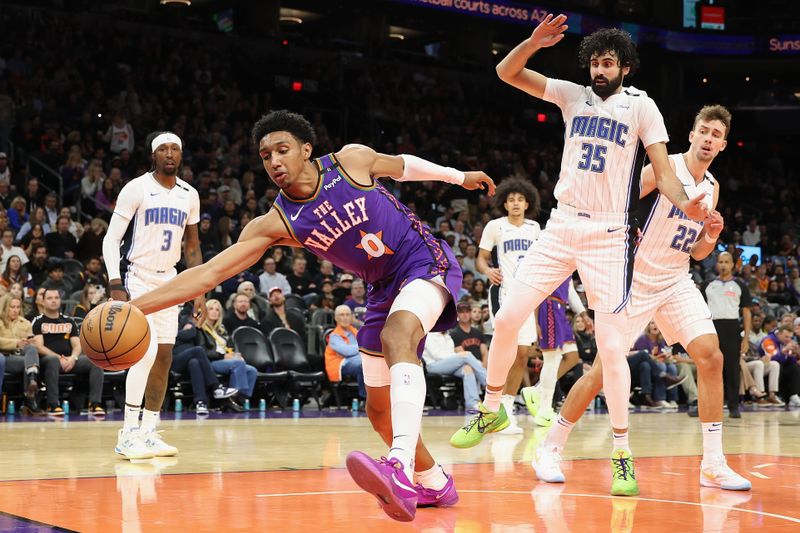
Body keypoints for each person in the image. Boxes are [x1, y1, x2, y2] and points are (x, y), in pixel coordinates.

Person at [129, 110, 493, 521]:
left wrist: (458, 177)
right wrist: (132, 307)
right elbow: (208, 273)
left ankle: (399, 469)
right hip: (380, 290)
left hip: (422, 259)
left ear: (306, 149)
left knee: (397, 337)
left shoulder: (349, 161)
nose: (274, 162)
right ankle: (434, 482)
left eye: (282, 150)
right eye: (265, 156)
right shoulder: (277, 222)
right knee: (378, 411)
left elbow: (404, 166)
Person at [451, 17, 708, 497]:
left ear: (625, 68)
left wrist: (686, 202)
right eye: (594, 61)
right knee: (507, 318)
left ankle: (622, 454)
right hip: (562, 223)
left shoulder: (643, 107)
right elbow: (507, 73)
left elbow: (663, 173)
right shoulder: (572, 95)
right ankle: (491, 407)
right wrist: (531, 43)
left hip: (609, 233)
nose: (599, 69)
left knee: (611, 350)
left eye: (608, 62)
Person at [532, 105, 750, 492]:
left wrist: (712, 235)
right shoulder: (663, 171)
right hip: (633, 280)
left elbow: (698, 253)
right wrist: (622, 231)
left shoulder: (712, 187)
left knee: (711, 356)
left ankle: (713, 464)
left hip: (676, 279)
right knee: (602, 373)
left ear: (723, 145)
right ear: (692, 134)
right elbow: (620, 199)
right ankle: (551, 447)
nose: (708, 139)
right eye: (704, 130)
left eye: (716, 135)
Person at [102, 131, 205, 460]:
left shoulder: (190, 195)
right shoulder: (136, 187)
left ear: (181, 154)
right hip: (139, 277)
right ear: (153, 155)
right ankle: (128, 432)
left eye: (175, 148)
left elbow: (192, 247)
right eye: (163, 149)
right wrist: (115, 281)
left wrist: (199, 290)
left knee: (164, 357)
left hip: (171, 281)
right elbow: (111, 239)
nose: (170, 153)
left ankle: (148, 431)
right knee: (143, 354)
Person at [476, 177, 541, 433]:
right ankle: (491, 407)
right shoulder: (495, 226)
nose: (515, 203)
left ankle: (507, 408)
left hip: (528, 295)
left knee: (523, 354)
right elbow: (481, 259)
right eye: (511, 199)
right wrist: (487, 271)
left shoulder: (536, 228)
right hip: (503, 293)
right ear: (504, 204)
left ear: (527, 204)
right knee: (506, 351)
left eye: (520, 200)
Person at [521, 277, 587, 426]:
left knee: (572, 356)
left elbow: (570, 289)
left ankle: (536, 391)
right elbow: (536, 289)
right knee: (552, 359)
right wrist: (535, 320)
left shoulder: (569, 263)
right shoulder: (551, 259)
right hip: (548, 305)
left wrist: (583, 314)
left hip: (560, 309)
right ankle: (544, 410)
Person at [32, 289, 105, 415]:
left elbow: (77, 345)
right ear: (43, 302)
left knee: (95, 361)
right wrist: (59, 357)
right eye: (49, 298)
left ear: (60, 301)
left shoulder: (69, 321)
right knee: (53, 360)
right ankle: (53, 404)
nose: (54, 300)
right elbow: (39, 347)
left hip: (69, 360)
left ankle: (94, 403)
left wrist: (73, 358)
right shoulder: (38, 321)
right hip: (48, 361)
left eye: (56, 297)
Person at [702, 252, 752, 418]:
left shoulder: (740, 285)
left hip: (731, 328)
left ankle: (733, 406)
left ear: (732, 264)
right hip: (711, 327)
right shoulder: (707, 285)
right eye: (720, 262)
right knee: (709, 368)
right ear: (717, 264)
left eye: (726, 262)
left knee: (732, 369)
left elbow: (746, 313)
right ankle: (705, 405)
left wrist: (746, 338)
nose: (723, 265)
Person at [198, 299, 257, 406]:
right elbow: (203, 352)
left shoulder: (221, 329)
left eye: (217, 310)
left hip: (226, 360)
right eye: (211, 309)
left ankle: (241, 399)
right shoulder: (201, 329)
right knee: (238, 364)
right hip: (212, 361)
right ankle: (231, 399)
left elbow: (230, 347)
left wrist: (235, 355)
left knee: (252, 370)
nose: (214, 311)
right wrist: (224, 356)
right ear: (205, 311)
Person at [0, 294, 44, 415]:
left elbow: (28, 345)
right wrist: (16, 343)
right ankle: (30, 399)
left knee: (31, 349)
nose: (15, 310)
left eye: (18, 307)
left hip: (21, 357)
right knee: (30, 363)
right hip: (5, 357)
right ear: (5, 308)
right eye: (12, 307)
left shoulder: (25, 323)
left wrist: (28, 342)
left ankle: (31, 379)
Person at [324, 305, 366, 401]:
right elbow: (347, 352)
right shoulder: (334, 336)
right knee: (363, 365)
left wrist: (358, 350)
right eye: (342, 315)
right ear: (336, 318)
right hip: (340, 364)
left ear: (352, 317)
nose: (345, 317)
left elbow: (354, 350)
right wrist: (362, 347)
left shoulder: (354, 331)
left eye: (347, 315)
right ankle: (364, 398)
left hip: (355, 361)